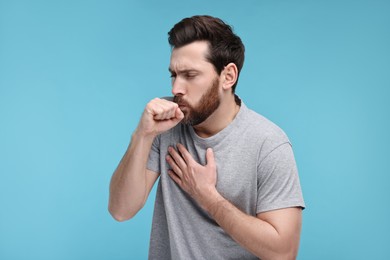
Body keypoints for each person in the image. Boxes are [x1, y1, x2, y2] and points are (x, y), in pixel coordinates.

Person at [108, 15, 305, 260]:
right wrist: (142, 135)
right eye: (173, 75)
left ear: (228, 76)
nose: (175, 89)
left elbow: (283, 252)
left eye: (190, 75)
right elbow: (120, 210)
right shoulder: (164, 125)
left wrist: (207, 196)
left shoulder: (269, 144)